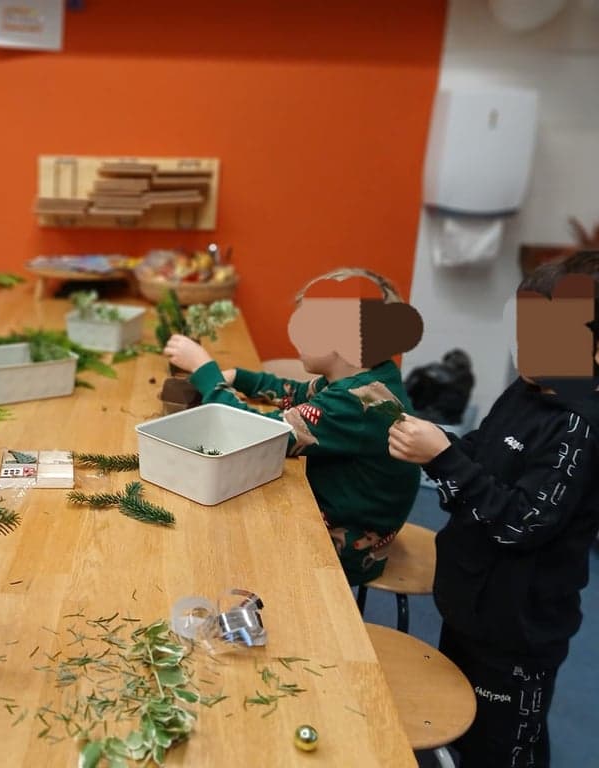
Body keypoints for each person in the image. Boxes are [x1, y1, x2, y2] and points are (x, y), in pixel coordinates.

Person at [388, 251, 599, 768]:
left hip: (517, 636)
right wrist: (442, 445)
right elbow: (482, 449)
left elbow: (520, 523)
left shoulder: (579, 428)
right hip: (470, 603)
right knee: (458, 717)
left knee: (505, 748)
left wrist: (441, 458)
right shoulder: (529, 387)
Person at [164, 268, 423, 585]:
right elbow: (297, 393)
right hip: (351, 513)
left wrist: (205, 371)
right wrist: (239, 377)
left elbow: (256, 436)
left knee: (220, 530)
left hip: (343, 550)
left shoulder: (355, 402)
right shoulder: (368, 378)